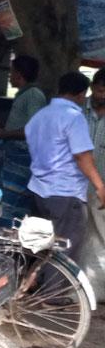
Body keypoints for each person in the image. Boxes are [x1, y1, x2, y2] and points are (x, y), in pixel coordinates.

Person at [26, 72, 105, 258]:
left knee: (40, 246)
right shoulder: (74, 117)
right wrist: (100, 186)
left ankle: (33, 284)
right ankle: (54, 287)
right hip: (66, 194)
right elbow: (82, 156)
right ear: (82, 93)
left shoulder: (40, 116)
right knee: (63, 251)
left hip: (39, 191)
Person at [0, 55, 47, 220]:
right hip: (12, 154)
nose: (9, 76)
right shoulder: (25, 95)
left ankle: (7, 238)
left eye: (11, 72)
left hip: (22, 158)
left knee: (11, 203)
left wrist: (4, 134)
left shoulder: (34, 95)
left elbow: (34, 130)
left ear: (19, 74)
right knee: (3, 199)